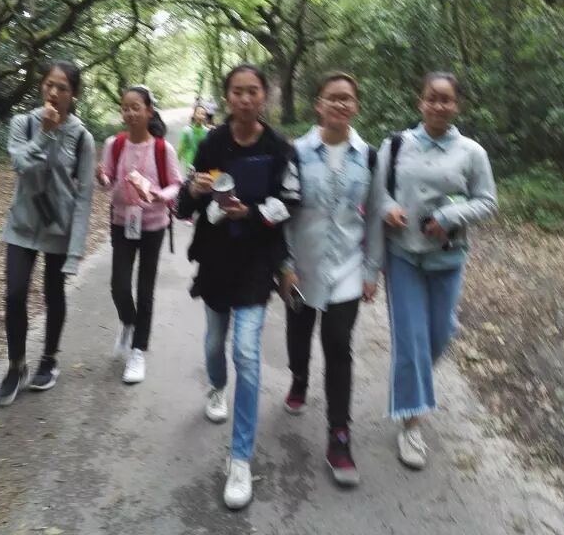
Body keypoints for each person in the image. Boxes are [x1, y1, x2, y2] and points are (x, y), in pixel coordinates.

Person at [176, 64, 300, 510]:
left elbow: (291, 201)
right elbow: (183, 206)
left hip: (255, 264)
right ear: (227, 97)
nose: (245, 99)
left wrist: (253, 214)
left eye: (253, 91)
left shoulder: (278, 147)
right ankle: (216, 386)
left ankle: (241, 457)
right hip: (216, 261)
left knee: (246, 352)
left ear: (264, 96)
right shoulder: (212, 143)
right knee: (215, 343)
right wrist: (195, 189)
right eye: (237, 92)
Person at [375, 72, 497, 469]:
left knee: (439, 334)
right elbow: (377, 192)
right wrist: (387, 208)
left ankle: (413, 377)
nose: (439, 105)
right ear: (420, 102)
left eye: (446, 99)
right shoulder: (396, 145)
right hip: (403, 256)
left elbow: (487, 201)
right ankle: (411, 423)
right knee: (411, 340)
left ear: (456, 105)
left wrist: (448, 216)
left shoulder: (472, 152)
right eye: (432, 98)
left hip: (447, 258)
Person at [280, 72, 383, 486]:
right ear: (318, 105)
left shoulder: (369, 157)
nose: (340, 104)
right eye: (332, 97)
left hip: (346, 268)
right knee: (297, 334)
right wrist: (284, 264)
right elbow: (284, 212)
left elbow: (375, 215)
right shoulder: (296, 153)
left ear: (356, 106)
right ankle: (299, 378)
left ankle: (339, 436)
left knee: (338, 345)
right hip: (302, 266)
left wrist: (371, 270)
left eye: (347, 98)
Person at [0, 60, 95, 406]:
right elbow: (20, 164)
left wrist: (75, 252)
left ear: (73, 94)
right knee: (14, 294)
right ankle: (16, 366)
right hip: (21, 225)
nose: (53, 92)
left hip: (58, 229)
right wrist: (45, 133)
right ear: (41, 86)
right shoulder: (23, 124)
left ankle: (49, 359)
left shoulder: (82, 138)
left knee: (54, 294)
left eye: (62, 88)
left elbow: (84, 198)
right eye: (49, 85)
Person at [96, 85, 182, 384]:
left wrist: (161, 195)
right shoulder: (115, 144)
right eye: (126, 108)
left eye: (136, 107)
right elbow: (108, 182)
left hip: (153, 226)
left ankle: (138, 351)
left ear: (149, 111)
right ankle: (129, 322)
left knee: (145, 290)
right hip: (122, 223)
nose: (130, 113)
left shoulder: (162, 148)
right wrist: (101, 177)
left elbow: (176, 183)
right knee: (119, 285)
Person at [177, 105, 209, 171]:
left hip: (202, 162)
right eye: (198, 113)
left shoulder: (207, 131)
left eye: (203, 114)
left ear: (205, 117)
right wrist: (177, 161)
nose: (200, 116)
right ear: (194, 115)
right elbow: (181, 147)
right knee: (191, 177)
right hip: (190, 162)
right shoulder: (187, 130)